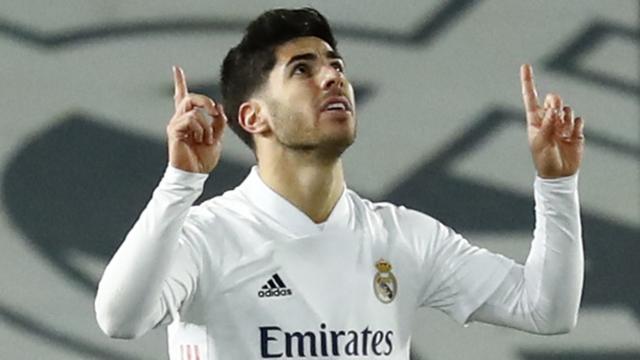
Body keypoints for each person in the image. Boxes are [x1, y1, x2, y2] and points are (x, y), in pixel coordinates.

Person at [95, 7, 585, 360]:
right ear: (253, 116)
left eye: (336, 66)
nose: (332, 78)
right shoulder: (208, 236)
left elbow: (546, 310)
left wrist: (557, 184)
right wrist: (180, 182)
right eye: (302, 70)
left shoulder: (403, 237)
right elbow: (120, 319)